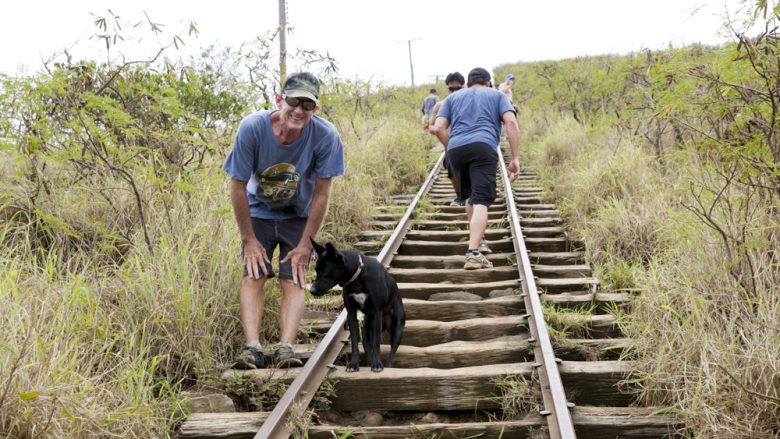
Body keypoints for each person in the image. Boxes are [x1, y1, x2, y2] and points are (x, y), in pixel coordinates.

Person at [223, 72, 345, 369]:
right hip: (257, 210)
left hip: (298, 214)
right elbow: (237, 186)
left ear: (315, 109)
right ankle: (252, 348)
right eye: (294, 101)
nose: (299, 110)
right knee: (254, 273)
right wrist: (248, 240)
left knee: (295, 277)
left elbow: (321, 195)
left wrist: (306, 245)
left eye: (308, 105)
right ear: (279, 100)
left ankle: (285, 348)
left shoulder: (326, 136)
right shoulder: (252, 128)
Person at [431, 67, 520, 270]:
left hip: (456, 150)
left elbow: (437, 128)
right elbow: (511, 123)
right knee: (481, 199)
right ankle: (473, 252)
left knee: (470, 197)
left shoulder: (452, 99)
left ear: (468, 83)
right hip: (483, 147)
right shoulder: (497, 95)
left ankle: (478, 242)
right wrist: (515, 158)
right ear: (488, 82)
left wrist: (450, 147)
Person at [429, 72, 466, 206]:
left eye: (458, 89)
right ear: (447, 88)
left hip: (467, 139)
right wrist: (439, 130)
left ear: (464, 86)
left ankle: (470, 195)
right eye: (452, 89)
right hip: (449, 142)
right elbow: (430, 125)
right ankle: (460, 196)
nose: (455, 91)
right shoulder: (440, 105)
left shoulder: (468, 101)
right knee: (453, 170)